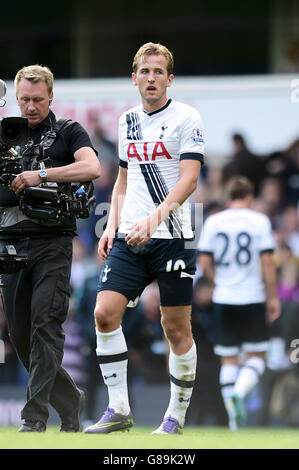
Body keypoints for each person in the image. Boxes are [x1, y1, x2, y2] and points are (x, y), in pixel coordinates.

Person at [84, 42, 205, 435]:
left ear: (169, 79)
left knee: (175, 329)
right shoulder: (127, 121)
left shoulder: (188, 118)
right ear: (134, 78)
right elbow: (122, 179)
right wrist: (112, 226)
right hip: (130, 237)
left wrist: (153, 220)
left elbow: (189, 179)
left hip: (174, 236)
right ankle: (118, 409)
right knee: (104, 314)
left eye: (158, 72)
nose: (151, 78)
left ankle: (175, 416)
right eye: (144, 71)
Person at [0, 65, 101, 432]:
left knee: (46, 324)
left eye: (37, 100)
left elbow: (92, 167)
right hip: (9, 241)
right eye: (24, 99)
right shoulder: (4, 135)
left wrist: (40, 175)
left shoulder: (68, 131)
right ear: (15, 97)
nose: (30, 107)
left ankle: (34, 418)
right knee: (20, 337)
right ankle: (70, 400)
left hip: (53, 241)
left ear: (51, 97)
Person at [197, 176, 280, 431]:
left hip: (224, 298)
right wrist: (273, 296)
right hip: (252, 296)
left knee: (229, 361)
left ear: (228, 196)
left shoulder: (213, 221)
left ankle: (234, 420)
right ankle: (240, 394)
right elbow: (267, 262)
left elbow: (204, 262)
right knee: (257, 357)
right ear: (250, 196)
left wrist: (216, 281)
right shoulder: (259, 221)